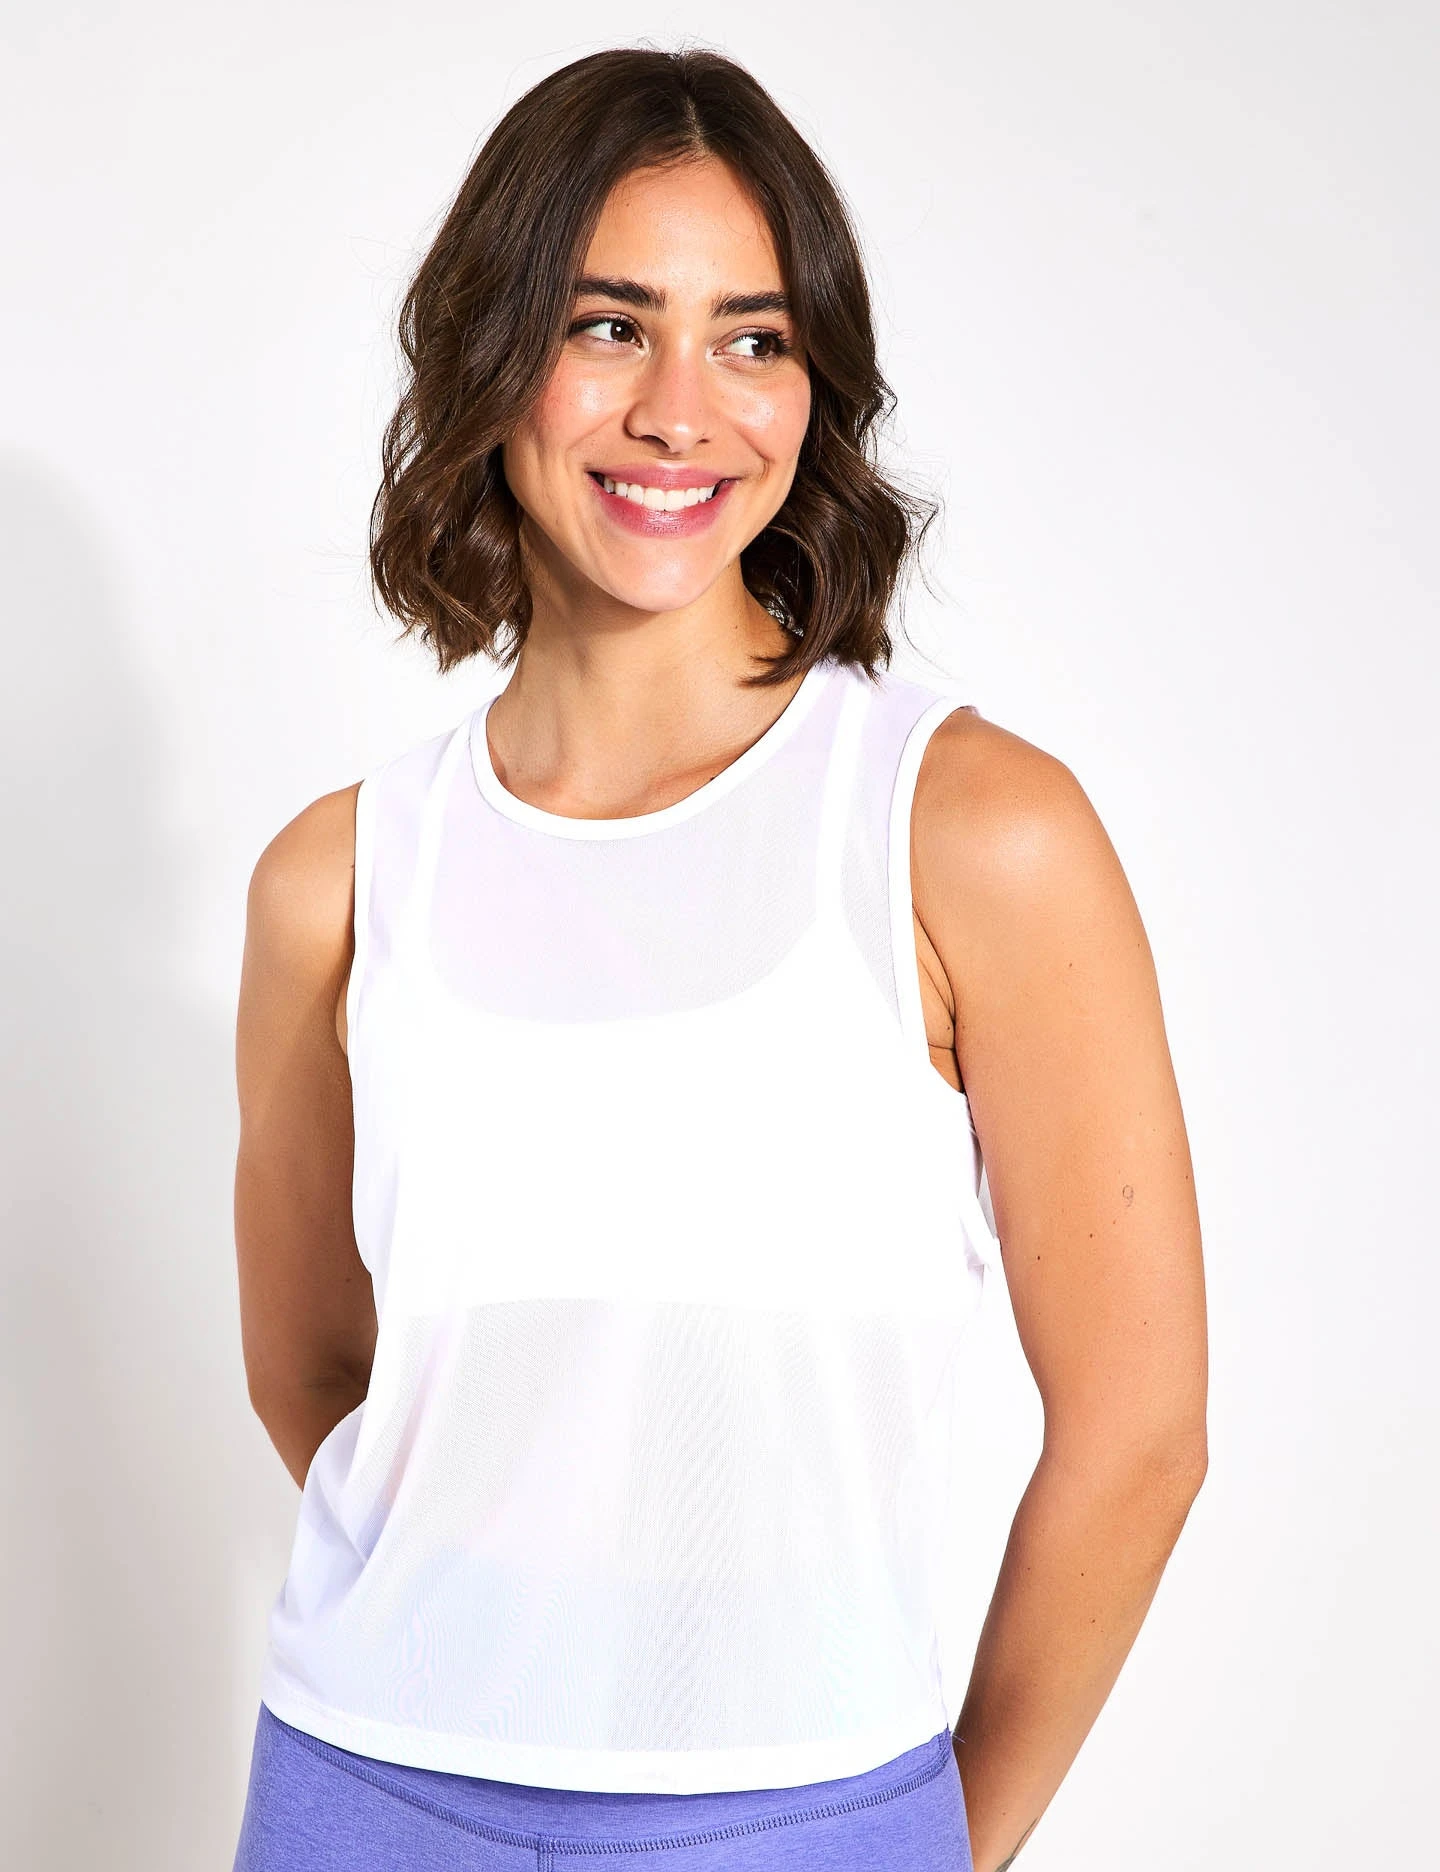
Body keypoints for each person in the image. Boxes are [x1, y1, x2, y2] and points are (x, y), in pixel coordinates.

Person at [230, 46, 1208, 1872]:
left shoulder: (967, 830)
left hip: (809, 1809)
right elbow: (315, 1369)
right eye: (609, 325)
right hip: (364, 1792)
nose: (682, 410)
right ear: (490, 353)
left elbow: (1141, 1433)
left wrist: (920, 1842)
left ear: (813, 389)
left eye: (752, 339)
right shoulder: (339, 878)